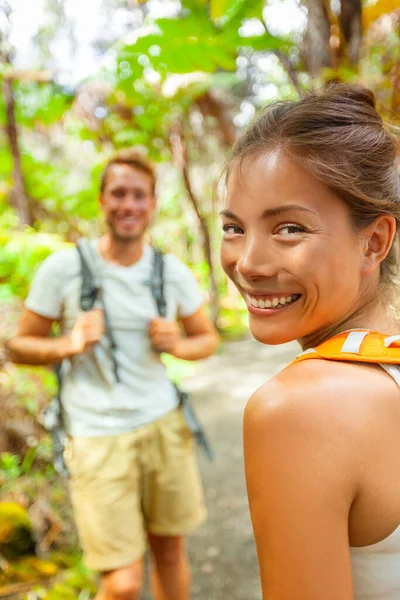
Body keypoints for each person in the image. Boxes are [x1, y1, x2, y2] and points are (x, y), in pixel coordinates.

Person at [6, 149, 219, 600]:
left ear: (152, 204)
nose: (129, 205)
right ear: (102, 201)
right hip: (96, 436)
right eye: (119, 193)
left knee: (169, 553)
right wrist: (68, 344)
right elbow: (19, 346)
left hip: (163, 424)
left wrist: (177, 344)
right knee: (121, 583)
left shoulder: (169, 271)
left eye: (139, 195)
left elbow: (207, 339)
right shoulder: (64, 268)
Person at [220, 84, 400, 599]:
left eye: (289, 228)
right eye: (234, 228)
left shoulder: (296, 410)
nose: (249, 262)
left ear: (374, 241)